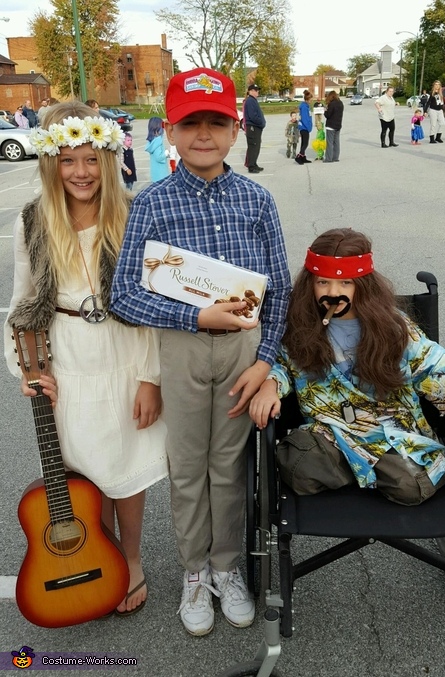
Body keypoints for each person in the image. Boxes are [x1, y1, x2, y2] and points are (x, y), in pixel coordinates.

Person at [110, 67, 291, 636]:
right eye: (191, 123)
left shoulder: (256, 200)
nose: (204, 134)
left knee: (229, 466)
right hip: (184, 349)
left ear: (235, 129)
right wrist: (194, 315)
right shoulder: (152, 202)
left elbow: (280, 288)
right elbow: (125, 296)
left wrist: (267, 362)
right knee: (188, 468)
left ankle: (226, 567)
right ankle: (194, 574)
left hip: (242, 351)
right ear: (170, 129)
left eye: (216, 122)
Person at [4, 101, 169, 616]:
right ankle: (101, 556)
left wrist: (150, 377)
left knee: (128, 468)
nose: (81, 172)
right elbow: (23, 302)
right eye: (69, 161)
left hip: (125, 349)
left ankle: (133, 560)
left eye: (91, 159)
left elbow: (152, 306)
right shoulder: (33, 220)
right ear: (51, 163)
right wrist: (29, 371)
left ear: (109, 158)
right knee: (82, 469)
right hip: (68, 354)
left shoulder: (132, 213)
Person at [250, 228, 445, 503]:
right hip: (331, 429)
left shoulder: (392, 326)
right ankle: (364, 468)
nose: (333, 293)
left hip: (388, 430)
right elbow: (282, 363)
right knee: (297, 466)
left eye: (345, 283)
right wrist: (270, 385)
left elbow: (430, 360)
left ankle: (361, 468)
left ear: (363, 285)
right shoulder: (300, 324)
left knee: (412, 486)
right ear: (309, 283)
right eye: (323, 283)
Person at [243, 83, 266, 173]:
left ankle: (254, 163)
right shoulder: (250, 101)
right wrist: (261, 123)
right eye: (256, 90)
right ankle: (251, 166)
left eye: (257, 90)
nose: (258, 92)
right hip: (253, 127)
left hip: (256, 127)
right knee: (253, 146)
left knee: (256, 146)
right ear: (251, 91)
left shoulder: (253, 100)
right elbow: (253, 116)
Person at [145, 117, 170, 182]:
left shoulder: (152, 142)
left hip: (156, 174)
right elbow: (158, 157)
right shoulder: (158, 141)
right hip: (161, 174)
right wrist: (166, 152)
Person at [323, 90, 344, 162]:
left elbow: (328, 115)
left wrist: (325, 110)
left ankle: (328, 158)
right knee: (336, 142)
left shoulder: (331, 104)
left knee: (329, 142)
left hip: (331, 125)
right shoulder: (340, 103)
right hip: (338, 125)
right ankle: (335, 157)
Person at [295, 90, 313, 164]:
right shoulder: (304, 107)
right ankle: (299, 156)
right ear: (307, 99)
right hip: (304, 128)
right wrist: (309, 127)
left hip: (305, 127)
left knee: (303, 143)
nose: (312, 101)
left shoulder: (307, 106)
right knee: (305, 143)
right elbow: (305, 118)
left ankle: (303, 157)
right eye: (311, 99)